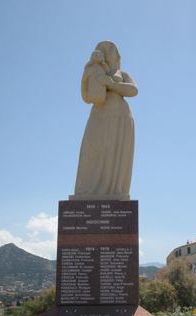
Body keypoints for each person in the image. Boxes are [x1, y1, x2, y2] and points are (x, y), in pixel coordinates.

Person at [71, 41, 138, 201]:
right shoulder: (94, 70)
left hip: (120, 117)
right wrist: (89, 71)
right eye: (104, 49)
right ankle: (87, 190)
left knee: (114, 156)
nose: (107, 51)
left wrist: (111, 84)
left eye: (111, 49)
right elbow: (85, 94)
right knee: (91, 151)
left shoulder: (122, 74)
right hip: (99, 115)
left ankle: (114, 191)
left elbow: (133, 90)